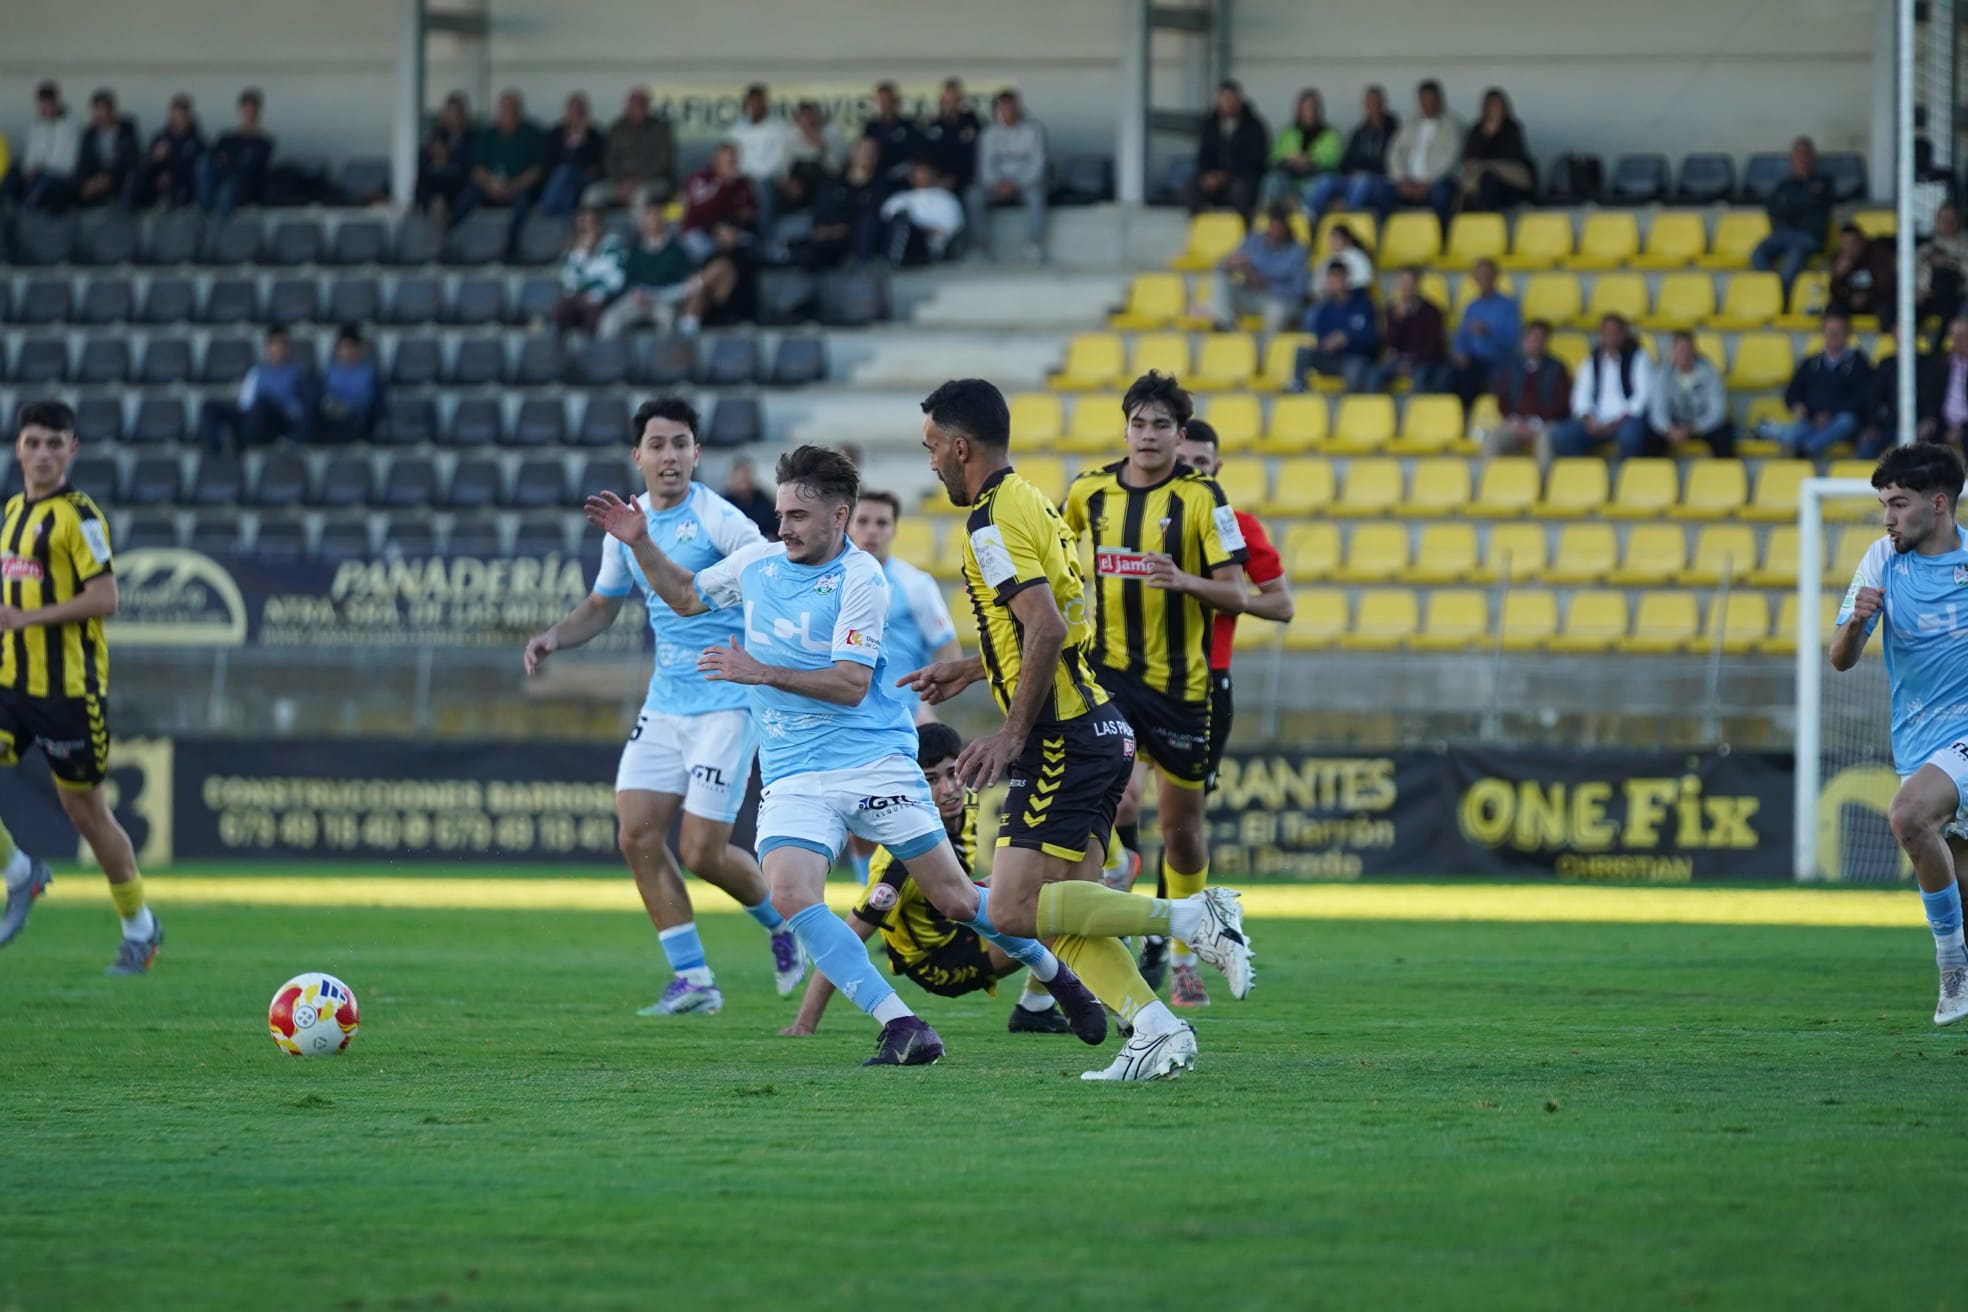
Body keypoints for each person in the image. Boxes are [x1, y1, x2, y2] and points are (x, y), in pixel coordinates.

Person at [584, 443, 1110, 1066]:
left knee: (960, 902)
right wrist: (641, 543)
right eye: (781, 513)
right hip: (792, 772)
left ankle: (1058, 977)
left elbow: (849, 684)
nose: (783, 528)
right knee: (789, 895)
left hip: (873, 762)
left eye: (799, 517)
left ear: (840, 516)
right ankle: (903, 1025)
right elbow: (686, 596)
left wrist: (759, 671)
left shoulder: (863, 578)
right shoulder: (757, 562)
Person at [909, 379, 1253, 1080]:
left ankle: (1193, 918)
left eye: (932, 449)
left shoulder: (990, 521)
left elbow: (1048, 624)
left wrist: (1011, 731)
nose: (931, 463)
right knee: (1072, 917)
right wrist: (975, 668)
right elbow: (1064, 620)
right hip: (1096, 722)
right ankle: (1156, 1029)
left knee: (1009, 908)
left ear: (960, 446)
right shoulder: (1032, 498)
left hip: (1061, 734)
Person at [526, 397, 806, 1015]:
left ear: (697, 453)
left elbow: (768, 568)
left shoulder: (720, 519)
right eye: (658, 444)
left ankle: (783, 924)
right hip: (666, 702)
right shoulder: (628, 523)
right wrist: (555, 637)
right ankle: (694, 980)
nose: (670, 455)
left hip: (726, 704)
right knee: (637, 837)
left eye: (681, 443)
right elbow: (603, 605)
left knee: (702, 852)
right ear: (639, 456)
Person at [1060, 372, 1254, 1012]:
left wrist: (1187, 582)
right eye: (1139, 424)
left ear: (1178, 433)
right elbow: (1057, 563)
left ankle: (1185, 954)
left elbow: (1239, 593)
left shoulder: (1204, 498)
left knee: (1183, 833)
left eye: (1161, 425)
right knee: (1096, 810)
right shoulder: (1087, 492)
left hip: (1181, 688)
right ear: (1125, 428)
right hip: (1107, 672)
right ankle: (1088, 953)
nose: (1148, 436)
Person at [780, 723, 1078, 1037]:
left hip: (961, 926)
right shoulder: (900, 863)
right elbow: (846, 936)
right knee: (1054, 910)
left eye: (952, 773)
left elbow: (964, 886)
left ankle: (1038, 1007)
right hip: (939, 962)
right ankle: (1043, 1007)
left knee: (1053, 892)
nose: (948, 789)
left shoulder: (968, 811)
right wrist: (805, 1023)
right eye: (931, 780)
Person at [0, 400, 159, 975]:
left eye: (54, 443)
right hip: (10, 682)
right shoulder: (13, 512)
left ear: (73, 451)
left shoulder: (80, 517)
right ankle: (21, 873)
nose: (42, 453)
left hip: (68, 691)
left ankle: (140, 928)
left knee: (86, 813)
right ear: (19, 447)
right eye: (33, 441)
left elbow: (106, 597)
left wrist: (27, 619)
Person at [1829, 442, 1968, 1027]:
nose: (1888, 517)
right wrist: (1858, 621)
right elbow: (1840, 658)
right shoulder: (1881, 560)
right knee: (1956, 880)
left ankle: (1950, 966)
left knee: (1908, 814)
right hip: (1917, 743)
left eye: (1899, 503)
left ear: (1939, 504)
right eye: (1884, 504)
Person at [1169, 422, 1294, 793]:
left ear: (1216, 468)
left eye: (1201, 462)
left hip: (1205, 680)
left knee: (1184, 822)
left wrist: (1218, 595)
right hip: (1135, 674)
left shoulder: (1236, 527)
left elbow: (1282, 605)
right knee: (1122, 797)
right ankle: (1125, 856)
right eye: (1182, 461)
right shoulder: (1133, 520)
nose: (1191, 471)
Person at [847, 491, 960, 727]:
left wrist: (925, 706)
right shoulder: (830, 582)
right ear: (848, 526)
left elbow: (948, 650)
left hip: (902, 719)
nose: (872, 530)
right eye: (863, 521)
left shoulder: (917, 584)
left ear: (894, 531)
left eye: (882, 523)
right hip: (845, 717)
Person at [598, 205, 718, 337]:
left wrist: (660, 295)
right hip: (637, 299)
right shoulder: (635, 252)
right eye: (647, 222)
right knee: (610, 320)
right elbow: (627, 280)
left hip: (663, 299)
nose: (651, 225)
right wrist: (636, 293)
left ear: (662, 222)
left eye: (655, 220)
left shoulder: (676, 251)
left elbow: (685, 281)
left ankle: (665, 357)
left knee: (668, 320)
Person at [197, 326, 316, 452]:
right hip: (254, 418)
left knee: (262, 402)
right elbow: (245, 404)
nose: (277, 349)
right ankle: (214, 447)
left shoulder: (298, 374)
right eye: (273, 344)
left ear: (288, 348)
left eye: (281, 345)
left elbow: (298, 410)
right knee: (210, 407)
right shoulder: (256, 373)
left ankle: (240, 440)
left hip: (278, 420)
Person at [1550, 314, 1653, 459]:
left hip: (1625, 421)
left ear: (1623, 334)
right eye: (1606, 333)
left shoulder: (1638, 358)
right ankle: (1587, 474)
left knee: (1630, 435)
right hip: (1596, 421)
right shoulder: (1591, 361)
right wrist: (1589, 419)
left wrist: (1617, 422)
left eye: (1614, 333)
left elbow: (1642, 397)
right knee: (1562, 435)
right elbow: (1580, 396)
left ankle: (1624, 477)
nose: (1610, 337)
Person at [1361, 79, 1463, 222]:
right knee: (1381, 192)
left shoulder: (1452, 125)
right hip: (1407, 183)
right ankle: (1387, 235)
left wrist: (1427, 183)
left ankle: (1442, 238)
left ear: (1440, 99)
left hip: (1436, 182)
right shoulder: (1409, 124)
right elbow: (1394, 153)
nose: (1428, 103)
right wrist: (1401, 179)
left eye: (1432, 99)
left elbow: (1450, 158)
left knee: (1442, 194)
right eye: (1424, 99)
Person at [966, 89, 1048, 263]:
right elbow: (984, 167)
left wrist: (1017, 184)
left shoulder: (1034, 130)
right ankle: (980, 247)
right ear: (998, 109)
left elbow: (1038, 164)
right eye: (1005, 108)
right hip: (996, 186)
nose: (1009, 111)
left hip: (1025, 184)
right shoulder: (988, 134)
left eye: (1012, 107)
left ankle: (1034, 245)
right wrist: (998, 184)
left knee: (1036, 195)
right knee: (973, 196)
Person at [1781, 312, 1873, 458]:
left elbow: (1863, 398)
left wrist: (1831, 414)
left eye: (1838, 331)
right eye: (1830, 331)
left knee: (1846, 421)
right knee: (1794, 432)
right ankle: (1771, 431)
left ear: (1847, 334)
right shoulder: (1810, 362)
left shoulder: (1859, 362)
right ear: (1822, 333)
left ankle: (1806, 449)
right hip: (1813, 420)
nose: (1833, 335)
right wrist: (1797, 405)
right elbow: (1791, 393)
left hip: (1842, 422)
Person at [458, 90, 546, 242]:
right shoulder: (488, 134)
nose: (507, 114)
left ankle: (512, 244)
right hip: (490, 187)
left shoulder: (532, 133)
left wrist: (514, 186)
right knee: (466, 197)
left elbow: (538, 169)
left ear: (519, 111)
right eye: (503, 110)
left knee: (523, 203)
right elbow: (476, 168)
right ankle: (455, 238)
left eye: (511, 109)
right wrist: (490, 184)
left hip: (518, 188)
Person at [1752, 136, 1833, 294]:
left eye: (1805, 155)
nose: (1802, 160)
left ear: (1813, 158)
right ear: (1792, 159)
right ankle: (1772, 286)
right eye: (1798, 155)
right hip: (1784, 234)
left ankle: (1782, 293)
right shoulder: (1784, 184)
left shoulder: (1824, 181)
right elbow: (1772, 207)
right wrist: (1802, 199)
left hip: (1809, 236)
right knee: (1758, 253)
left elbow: (1810, 201)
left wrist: (1789, 201)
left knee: (1794, 254)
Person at [1210, 203, 1308, 333]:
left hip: (1277, 300)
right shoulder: (1253, 240)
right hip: (1250, 294)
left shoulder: (1297, 251)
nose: (1273, 231)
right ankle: (1226, 326)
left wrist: (1267, 285)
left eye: (1278, 228)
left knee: (1277, 315)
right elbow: (1219, 265)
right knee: (1219, 278)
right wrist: (1230, 264)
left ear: (1286, 229)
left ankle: (1267, 351)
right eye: (1271, 226)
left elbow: (1299, 290)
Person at [1306, 84, 1398, 218]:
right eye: (1369, 103)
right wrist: (1352, 172)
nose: (1373, 107)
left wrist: (1364, 172)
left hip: (1379, 182)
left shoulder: (1394, 131)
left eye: (1376, 102)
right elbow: (1346, 161)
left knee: (1362, 181)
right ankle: (1310, 216)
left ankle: (1346, 221)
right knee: (1327, 180)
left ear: (1384, 104)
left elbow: (1391, 163)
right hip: (1353, 179)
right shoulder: (1358, 132)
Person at [1482, 320, 1571, 457]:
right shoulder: (1511, 367)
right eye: (1531, 337)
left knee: (1545, 440)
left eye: (1539, 338)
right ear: (1524, 339)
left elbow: (1562, 403)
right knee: (1492, 439)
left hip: (1545, 424)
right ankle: (1490, 478)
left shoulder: (1557, 368)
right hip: (1515, 423)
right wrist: (1514, 420)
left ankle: (1544, 478)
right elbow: (1503, 399)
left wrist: (1536, 422)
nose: (1534, 342)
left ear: (1546, 342)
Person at [1293, 261, 1380, 392]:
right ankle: (1298, 388)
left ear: (1346, 279)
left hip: (1354, 357)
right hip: (1331, 358)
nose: (1334, 283)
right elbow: (1321, 338)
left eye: (1338, 278)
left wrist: (1347, 337)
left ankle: (1348, 405)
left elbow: (1373, 337)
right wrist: (1328, 343)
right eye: (1331, 279)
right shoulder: (1324, 309)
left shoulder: (1363, 305)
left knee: (1354, 368)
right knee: (1303, 352)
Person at [1644, 331, 1734, 458]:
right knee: (1648, 438)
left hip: (1701, 424)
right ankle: (1652, 476)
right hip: (1674, 424)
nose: (1683, 353)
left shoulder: (1710, 374)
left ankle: (1726, 475)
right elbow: (1658, 410)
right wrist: (1668, 429)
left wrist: (1692, 428)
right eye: (1679, 349)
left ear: (1694, 350)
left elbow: (1718, 412)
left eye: (1686, 349)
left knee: (1723, 434)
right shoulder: (1663, 375)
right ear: (1673, 351)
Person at [1189, 80, 1268, 222]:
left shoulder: (1254, 126)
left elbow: (1257, 160)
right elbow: (1203, 155)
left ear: (1239, 101)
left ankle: (1243, 231)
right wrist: (1208, 175)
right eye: (1223, 99)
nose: (1227, 103)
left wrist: (1227, 176)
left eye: (1231, 99)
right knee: (1191, 187)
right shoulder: (1210, 125)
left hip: (1241, 178)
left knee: (1241, 190)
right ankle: (1199, 229)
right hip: (1214, 179)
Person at [805, 136, 888, 269]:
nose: (866, 154)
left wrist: (845, 229)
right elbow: (820, 211)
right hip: (827, 239)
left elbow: (872, 218)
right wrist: (827, 229)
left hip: (857, 241)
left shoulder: (880, 187)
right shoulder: (834, 183)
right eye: (862, 150)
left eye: (872, 151)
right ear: (853, 153)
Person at [729, 84, 795, 246]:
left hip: (770, 178)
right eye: (751, 103)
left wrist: (758, 175)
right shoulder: (736, 131)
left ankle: (765, 243)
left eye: (759, 102)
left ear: (765, 104)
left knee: (760, 188)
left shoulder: (779, 129)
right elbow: (730, 159)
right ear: (745, 105)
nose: (755, 107)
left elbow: (781, 160)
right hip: (741, 178)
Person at [1451, 258, 1521, 406]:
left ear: (1495, 278)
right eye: (1479, 277)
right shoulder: (1471, 307)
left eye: (1487, 276)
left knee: (1503, 380)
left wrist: (1488, 333)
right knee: (1449, 376)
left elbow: (1512, 341)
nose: (1483, 280)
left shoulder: (1508, 306)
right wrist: (1460, 352)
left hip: (1499, 360)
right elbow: (1462, 336)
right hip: (1474, 360)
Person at [1369, 267, 1450, 394]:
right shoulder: (1392, 310)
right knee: (1374, 377)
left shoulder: (1432, 311)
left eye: (1409, 282)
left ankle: (1420, 412)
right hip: (1399, 358)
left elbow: (1433, 346)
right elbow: (1390, 343)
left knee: (1420, 379)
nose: (1405, 286)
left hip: (1425, 360)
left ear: (1417, 284)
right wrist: (1398, 321)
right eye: (1402, 282)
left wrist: (1412, 363)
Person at [1, 81, 78, 212]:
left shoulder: (69, 128)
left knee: (41, 182)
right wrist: (29, 168)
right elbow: (30, 155)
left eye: (47, 105)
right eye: (41, 104)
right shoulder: (35, 127)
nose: (43, 108)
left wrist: (40, 167)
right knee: (14, 170)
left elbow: (68, 162)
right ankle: (5, 205)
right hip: (36, 172)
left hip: (59, 174)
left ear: (55, 104)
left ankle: (24, 210)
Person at [1259, 89, 1341, 211]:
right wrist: (1289, 159)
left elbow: (1334, 161)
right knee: (1272, 180)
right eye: (1305, 109)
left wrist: (1310, 160)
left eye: (1312, 108)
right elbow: (1273, 159)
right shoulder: (1287, 133)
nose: (1309, 113)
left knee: (1323, 184)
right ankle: (1268, 217)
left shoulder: (1331, 135)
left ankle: (1302, 212)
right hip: (1289, 181)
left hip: (1313, 180)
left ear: (1319, 110)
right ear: (1298, 110)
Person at [594, 87, 676, 208]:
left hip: (653, 181)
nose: (638, 109)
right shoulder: (618, 128)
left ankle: (639, 227)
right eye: (634, 105)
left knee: (641, 195)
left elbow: (662, 162)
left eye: (641, 105)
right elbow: (609, 160)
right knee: (593, 194)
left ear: (647, 107)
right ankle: (590, 227)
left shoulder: (660, 128)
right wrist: (622, 181)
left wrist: (636, 182)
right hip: (620, 183)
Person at [198, 87, 274, 217]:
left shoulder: (263, 143)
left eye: (252, 111)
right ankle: (206, 211)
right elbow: (212, 160)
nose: (249, 115)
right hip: (220, 181)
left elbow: (251, 169)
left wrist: (228, 161)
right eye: (247, 110)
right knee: (203, 163)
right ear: (241, 111)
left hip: (244, 187)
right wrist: (235, 160)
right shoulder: (227, 138)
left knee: (227, 188)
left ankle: (220, 229)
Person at [551, 206, 626, 335]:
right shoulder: (573, 252)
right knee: (561, 310)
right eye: (583, 227)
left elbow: (615, 280)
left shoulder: (613, 246)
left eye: (591, 224)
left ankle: (595, 351)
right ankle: (557, 350)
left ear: (600, 226)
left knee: (593, 313)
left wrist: (590, 291)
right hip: (577, 299)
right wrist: (583, 253)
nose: (588, 230)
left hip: (603, 300)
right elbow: (570, 280)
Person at [1457, 87, 1534, 212]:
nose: (1496, 109)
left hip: (1508, 182)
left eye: (1499, 105)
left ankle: (1488, 216)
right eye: (1492, 106)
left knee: (1489, 179)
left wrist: (1487, 165)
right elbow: (1470, 158)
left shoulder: (1513, 128)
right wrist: (1487, 136)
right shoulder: (1477, 129)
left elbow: (1515, 157)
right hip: (1479, 183)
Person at [679, 143, 757, 263]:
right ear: (716, 162)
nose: (731, 166)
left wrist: (736, 224)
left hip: (731, 231)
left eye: (733, 162)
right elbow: (698, 210)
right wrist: (723, 185)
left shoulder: (742, 183)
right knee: (705, 253)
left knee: (749, 245)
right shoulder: (700, 178)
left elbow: (751, 209)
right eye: (727, 162)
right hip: (699, 230)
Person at [879, 160, 964, 265]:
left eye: (925, 172)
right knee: (900, 220)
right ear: (910, 177)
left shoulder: (947, 198)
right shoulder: (899, 198)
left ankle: (895, 257)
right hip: (897, 237)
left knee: (905, 226)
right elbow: (885, 221)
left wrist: (921, 230)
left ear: (934, 175)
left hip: (926, 246)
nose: (922, 176)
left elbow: (951, 228)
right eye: (917, 172)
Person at [127, 93, 202, 209]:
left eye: (183, 115)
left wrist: (173, 176)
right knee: (140, 172)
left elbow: (196, 169)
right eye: (177, 115)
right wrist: (156, 157)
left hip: (182, 185)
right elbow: (146, 161)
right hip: (157, 181)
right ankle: (131, 206)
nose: (180, 118)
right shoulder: (160, 137)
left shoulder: (196, 141)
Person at [539, 93, 607, 217]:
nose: (575, 114)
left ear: (585, 112)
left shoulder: (594, 135)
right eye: (572, 110)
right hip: (559, 177)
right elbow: (548, 160)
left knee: (566, 172)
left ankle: (549, 209)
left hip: (585, 176)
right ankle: (568, 215)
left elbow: (595, 162)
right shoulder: (556, 133)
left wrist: (582, 137)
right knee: (564, 174)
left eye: (579, 110)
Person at [72, 89, 139, 208]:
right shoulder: (89, 134)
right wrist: (88, 182)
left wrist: (109, 178)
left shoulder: (127, 130)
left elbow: (132, 160)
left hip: (118, 176)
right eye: (98, 109)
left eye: (104, 109)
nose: (101, 114)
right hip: (95, 176)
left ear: (112, 110)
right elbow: (82, 162)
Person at [318, 327, 384, 442]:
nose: (346, 352)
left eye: (350, 347)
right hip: (333, 419)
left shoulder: (369, 373)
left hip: (358, 419)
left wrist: (348, 408)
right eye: (343, 347)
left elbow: (371, 403)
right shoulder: (330, 371)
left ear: (359, 349)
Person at [415, 92, 474, 217]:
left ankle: (445, 215)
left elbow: (470, 162)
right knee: (426, 177)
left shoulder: (473, 136)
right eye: (451, 112)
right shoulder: (438, 134)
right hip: (437, 175)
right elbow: (425, 156)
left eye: (458, 112)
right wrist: (433, 154)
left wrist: (450, 156)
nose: (455, 116)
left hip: (459, 176)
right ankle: (422, 210)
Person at [1918, 202, 1968, 345]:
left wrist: (1949, 262)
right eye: (1942, 219)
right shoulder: (1927, 247)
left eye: (1950, 219)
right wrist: (1917, 290)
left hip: (1958, 295)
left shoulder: (1965, 244)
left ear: (1958, 221)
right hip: (1928, 295)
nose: (1946, 223)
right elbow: (1914, 272)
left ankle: (1938, 353)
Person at [1828, 222, 1896, 325]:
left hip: (1876, 299)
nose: (1849, 248)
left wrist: (1867, 296)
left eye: (1853, 243)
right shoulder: (1839, 258)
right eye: (1845, 244)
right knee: (1834, 308)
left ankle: (1890, 339)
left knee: (1886, 311)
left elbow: (1885, 286)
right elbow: (1834, 292)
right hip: (1851, 301)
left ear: (1862, 242)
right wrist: (1838, 277)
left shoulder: (1876, 254)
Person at [921, 78, 981, 194]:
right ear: (942, 99)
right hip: (938, 182)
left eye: (955, 99)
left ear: (961, 99)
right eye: (949, 98)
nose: (952, 102)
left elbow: (974, 156)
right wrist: (937, 179)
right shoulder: (933, 126)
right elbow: (927, 157)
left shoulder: (972, 123)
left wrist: (957, 178)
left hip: (967, 182)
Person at [862, 81, 922, 183]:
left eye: (887, 100)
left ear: (895, 101)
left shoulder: (908, 126)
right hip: (877, 179)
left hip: (903, 178)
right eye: (880, 100)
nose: (884, 104)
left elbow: (916, 155)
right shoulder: (871, 127)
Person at [721, 456, 776, 538]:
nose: (744, 483)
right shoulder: (723, 504)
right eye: (741, 480)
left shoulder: (763, 500)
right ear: (732, 479)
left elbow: (774, 527)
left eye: (746, 476)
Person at [1324, 221, 1375, 292]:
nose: (1332, 243)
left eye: (1336, 239)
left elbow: (1365, 280)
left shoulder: (1358, 257)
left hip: (1354, 296)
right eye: (1331, 240)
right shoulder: (1329, 258)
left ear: (1347, 240)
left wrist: (1343, 286)